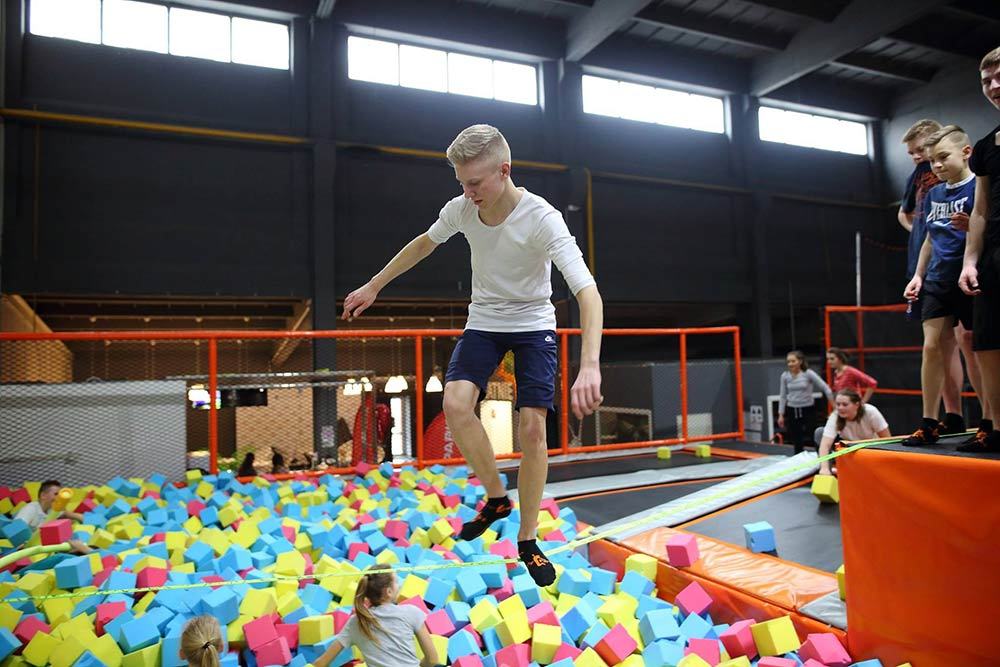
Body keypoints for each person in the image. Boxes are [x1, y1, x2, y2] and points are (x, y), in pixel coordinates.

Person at [341, 124, 603, 585]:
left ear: (504, 171)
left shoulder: (542, 218)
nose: (467, 193)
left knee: (533, 426)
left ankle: (527, 538)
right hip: (484, 320)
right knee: (456, 404)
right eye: (461, 183)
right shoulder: (462, 209)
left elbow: (588, 292)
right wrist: (374, 284)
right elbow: (424, 244)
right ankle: (497, 497)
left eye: (475, 183)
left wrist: (591, 365)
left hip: (532, 323)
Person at [904, 125, 992, 447]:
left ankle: (988, 420)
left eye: (942, 158)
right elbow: (929, 237)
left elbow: (986, 225)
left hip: (970, 276)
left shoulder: (979, 187)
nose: (936, 166)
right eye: (931, 161)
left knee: (975, 346)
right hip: (938, 279)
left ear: (966, 152)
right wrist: (918, 275)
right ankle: (929, 421)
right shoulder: (933, 194)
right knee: (932, 347)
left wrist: (973, 228)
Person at [899, 119, 968, 435]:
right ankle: (947, 416)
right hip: (930, 268)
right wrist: (922, 233)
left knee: (968, 341)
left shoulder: (963, 176)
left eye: (920, 151)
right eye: (914, 153)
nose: (920, 158)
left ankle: (986, 417)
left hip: (961, 266)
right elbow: (906, 213)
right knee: (938, 345)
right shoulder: (923, 180)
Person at [958, 46, 1000, 453]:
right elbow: (981, 210)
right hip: (993, 256)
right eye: (987, 80)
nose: (994, 86)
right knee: (986, 342)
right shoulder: (987, 147)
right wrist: (970, 260)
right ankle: (997, 427)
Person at [313, 567, 439, 667]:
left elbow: (321, 663)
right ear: (389, 592)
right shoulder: (412, 612)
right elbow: (432, 659)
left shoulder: (356, 622)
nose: (400, 585)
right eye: (396, 582)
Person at [815, 389, 891, 476]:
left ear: (857, 405)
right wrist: (824, 468)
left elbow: (887, 439)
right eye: (838, 404)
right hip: (849, 449)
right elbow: (825, 445)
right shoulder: (835, 415)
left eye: (845, 405)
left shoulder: (871, 412)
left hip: (869, 449)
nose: (840, 408)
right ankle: (830, 471)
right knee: (819, 432)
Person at [13, 480, 90, 556]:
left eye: (60, 495)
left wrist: (84, 519)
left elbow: (66, 513)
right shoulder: (31, 509)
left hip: (45, 547)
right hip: (30, 548)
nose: (59, 498)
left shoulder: (53, 509)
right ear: (43, 495)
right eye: (56, 494)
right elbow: (17, 528)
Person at [777, 351, 833, 454]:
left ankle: (820, 456)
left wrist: (834, 406)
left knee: (813, 434)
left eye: (793, 361)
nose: (790, 364)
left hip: (807, 408)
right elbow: (783, 395)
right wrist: (781, 414)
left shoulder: (808, 373)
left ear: (800, 361)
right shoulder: (785, 376)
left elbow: (825, 388)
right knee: (796, 437)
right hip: (792, 409)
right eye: (788, 361)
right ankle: (798, 457)